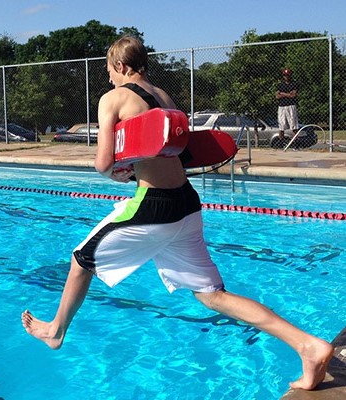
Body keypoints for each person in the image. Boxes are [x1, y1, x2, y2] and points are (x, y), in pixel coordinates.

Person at [21, 36, 333, 391]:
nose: (108, 79)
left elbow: (104, 163)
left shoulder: (113, 98)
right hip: (186, 203)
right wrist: (134, 168)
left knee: (81, 261)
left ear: (120, 67)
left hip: (154, 206)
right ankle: (307, 346)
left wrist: (117, 172)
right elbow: (172, 153)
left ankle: (55, 331)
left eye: (109, 71)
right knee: (213, 296)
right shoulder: (166, 99)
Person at [276, 68, 299, 139]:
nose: (286, 77)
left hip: (291, 106)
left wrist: (282, 94)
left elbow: (293, 95)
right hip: (282, 106)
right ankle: (281, 143)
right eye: (284, 75)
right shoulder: (280, 85)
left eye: (287, 75)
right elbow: (277, 96)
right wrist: (288, 94)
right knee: (281, 126)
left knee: (293, 125)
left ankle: (296, 143)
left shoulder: (294, 84)